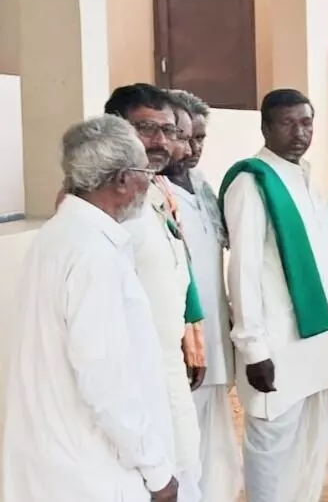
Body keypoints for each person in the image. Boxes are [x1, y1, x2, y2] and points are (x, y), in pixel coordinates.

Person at [3, 115, 177, 502]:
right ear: (121, 180)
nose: (148, 183)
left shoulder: (59, 236)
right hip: (91, 470)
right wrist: (156, 470)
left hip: (54, 463)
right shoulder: (92, 253)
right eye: (144, 173)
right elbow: (106, 380)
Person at [218, 88, 328, 501]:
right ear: (266, 127)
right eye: (288, 123)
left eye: (306, 122)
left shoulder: (306, 177)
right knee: (274, 448)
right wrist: (253, 348)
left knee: (311, 447)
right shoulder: (251, 182)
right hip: (277, 346)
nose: (299, 132)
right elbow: (243, 268)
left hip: (316, 345)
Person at [107, 83, 204, 502]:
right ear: (115, 130)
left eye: (168, 130)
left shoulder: (156, 195)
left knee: (188, 475)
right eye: (147, 129)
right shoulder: (109, 209)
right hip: (134, 389)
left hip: (169, 377)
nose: (161, 141)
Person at [165, 88, 243, 502]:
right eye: (185, 137)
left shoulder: (201, 184)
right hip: (182, 335)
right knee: (183, 434)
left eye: (200, 138)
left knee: (214, 431)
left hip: (213, 327)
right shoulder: (155, 192)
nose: (193, 148)